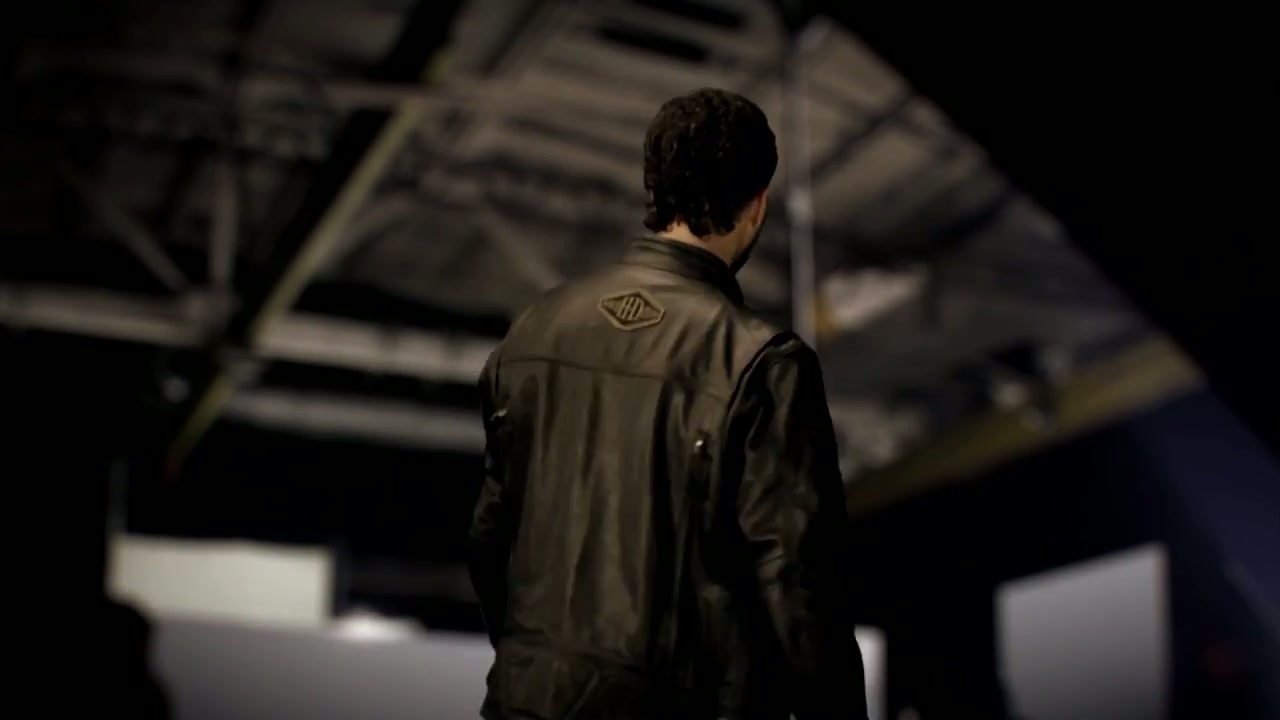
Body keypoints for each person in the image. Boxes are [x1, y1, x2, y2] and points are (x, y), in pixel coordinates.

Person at [469, 88, 868, 720]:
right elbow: (799, 588)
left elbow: (491, 540)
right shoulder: (762, 363)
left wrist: (530, 667)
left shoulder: (532, 333)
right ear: (757, 205)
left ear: (654, 186)